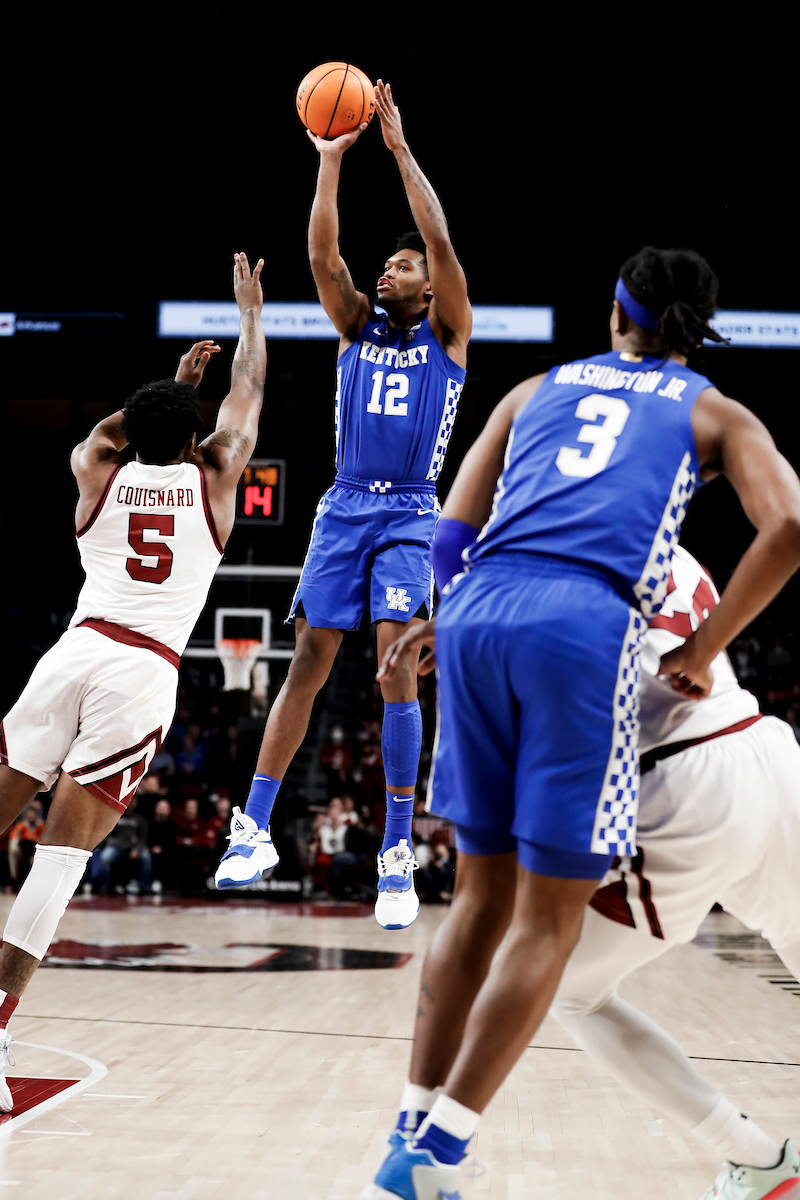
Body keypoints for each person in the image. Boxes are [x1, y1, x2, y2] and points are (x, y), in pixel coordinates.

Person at [361, 246, 800, 1199]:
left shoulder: (531, 391)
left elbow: (449, 533)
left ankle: (414, 1135)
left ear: (614, 312)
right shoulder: (710, 419)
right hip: (714, 713)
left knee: (501, 918)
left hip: (493, 626)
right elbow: (790, 528)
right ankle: (438, 1157)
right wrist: (702, 649)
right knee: (546, 935)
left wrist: (448, 609)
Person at [0, 251, 266, 1112]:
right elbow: (248, 400)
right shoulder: (216, 479)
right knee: (58, 863)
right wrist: (248, 321)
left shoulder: (97, 472)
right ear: (192, 438)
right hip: (141, 672)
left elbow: (111, 434)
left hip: (70, 654)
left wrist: (167, 387)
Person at [215, 81, 472, 931]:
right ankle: (253, 826)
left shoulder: (448, 335)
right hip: (343, 507)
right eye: (390, 263)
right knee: (310, 661)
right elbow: (324, 259)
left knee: (397, 663)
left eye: (403, 266)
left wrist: (399, 153)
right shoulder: (357, 326)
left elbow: (435, 234)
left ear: (430, 287)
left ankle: (397, 852)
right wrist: (328, 164)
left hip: (409, 512)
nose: (390, 269)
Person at [549, 544, 800, 1200]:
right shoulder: (655, 534)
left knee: (568, 989)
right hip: (766, 745)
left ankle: (756, 1157)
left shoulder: (546, 560)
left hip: (690, 777)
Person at [90, 794, 152, 894]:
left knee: (146, 858)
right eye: (129, 800)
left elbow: (142, 838)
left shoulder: (140, 820)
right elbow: (109, 835)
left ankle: (146, 887)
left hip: (133, 848)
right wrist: (117, 844)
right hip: (117, 847)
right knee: (105, 857)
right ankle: (104, 886)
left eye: (133, 801)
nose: (131, 803)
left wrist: (137, 849)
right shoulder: (116, 817)